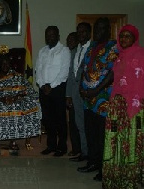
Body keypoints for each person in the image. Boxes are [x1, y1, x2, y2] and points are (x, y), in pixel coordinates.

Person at [102, 24, 144, 188]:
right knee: (116, 140)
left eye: (128, 36)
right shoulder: (119, 57)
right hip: (117, 105)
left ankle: (131, 178)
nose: (124, 39)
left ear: (134, 39)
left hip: (135, 105)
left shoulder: (141, 54)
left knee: (132, 140)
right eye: (122, 36)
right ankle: (116, 176)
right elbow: (116, 81)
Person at [78, 18, 119, 182]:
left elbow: (112, 73)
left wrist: (96, 90)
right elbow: (85, 68)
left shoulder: (114, 47)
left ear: (108, 30)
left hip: (103, 98)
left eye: (102, 28)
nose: (98, 32)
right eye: (96, 28)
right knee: (91, 132)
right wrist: (82, 87)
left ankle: (104, 168)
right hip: (88, 98)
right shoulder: (91, 47)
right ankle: (93, 162)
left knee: (103, 135)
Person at [0, 45, 42, 149]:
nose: (5, 65)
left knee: (15, 108)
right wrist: (0, 99)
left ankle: (13, 141)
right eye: (3, 63)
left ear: (10, 64)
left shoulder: (16, 75)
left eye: (7, 63)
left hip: (15, 100)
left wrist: (15, 97)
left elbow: (28, 90)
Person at [36, 26, 70, 157]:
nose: (50, 37)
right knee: (47, 119)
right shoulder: (42, 51)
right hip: (44, 89)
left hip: (57, 89)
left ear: (58, 36)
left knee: (60, 119)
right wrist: (42, 84)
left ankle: (62, 147)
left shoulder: (64, 50)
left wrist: (51, 85)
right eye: (47, 35)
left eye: (52, 35)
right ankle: (51, 145)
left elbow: (64, 71)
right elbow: (38, 69)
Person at [67, 22, 92, 162]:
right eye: (79, 32)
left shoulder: (93, 49)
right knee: (79, 123)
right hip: (76, 92)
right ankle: (84, 152)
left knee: (90, 124)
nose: (80, 34)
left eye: (83, 32)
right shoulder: (75, 50)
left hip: (89, 92)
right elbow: (72, 74)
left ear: (89, 33)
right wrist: (69, 94)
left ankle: (90, 153)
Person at [66, 32, 80, 156]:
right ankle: (76, 148)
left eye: (72, 39)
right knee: (73, 123)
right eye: (68, 40)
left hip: (79, 94)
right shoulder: (69, 53)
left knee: (77, 123)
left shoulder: (78, 53)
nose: (70, 42)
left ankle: (79, 149)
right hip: (71, 93)